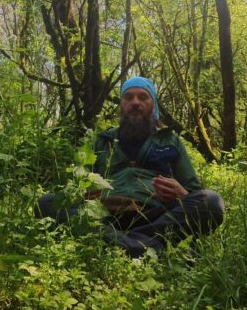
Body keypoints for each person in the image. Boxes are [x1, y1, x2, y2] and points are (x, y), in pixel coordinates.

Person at [37, 76, 224, 258]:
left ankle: (116, 243)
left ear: (153, 105)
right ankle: (152, 247)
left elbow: (193, 190)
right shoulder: (102, 140)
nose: (135, 102)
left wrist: (181, 193)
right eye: (128, 97)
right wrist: (83, 193)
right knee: (46, 203)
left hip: (157, 216)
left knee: (211, 202)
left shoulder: (170, 140)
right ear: (121, 104)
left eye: (143, 97)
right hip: (104, 216)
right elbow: (78, 186)